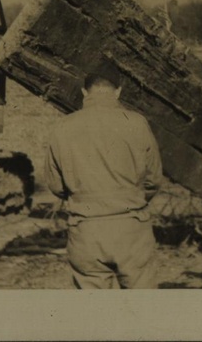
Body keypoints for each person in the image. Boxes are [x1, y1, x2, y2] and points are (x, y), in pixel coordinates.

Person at [44, 64, 163, 289]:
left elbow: (55, 184)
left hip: (86, 230)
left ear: (84, 92)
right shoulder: (137, 123)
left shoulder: (62, 128)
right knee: (143, 312)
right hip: (131, 228)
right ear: (118, 91)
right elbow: (154, 178)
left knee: (96, 316)